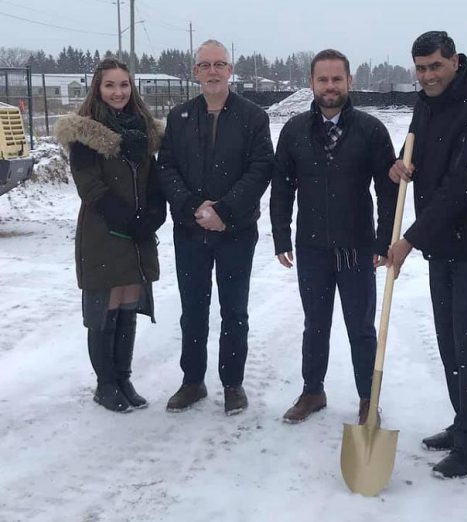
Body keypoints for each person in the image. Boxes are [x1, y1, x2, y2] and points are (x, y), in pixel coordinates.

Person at [387, 31, 467, 478]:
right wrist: (401, 163)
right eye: (420, 68)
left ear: (454, 61)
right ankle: (463, 424)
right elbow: (417, 150)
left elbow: (462, 189)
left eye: (435, 66)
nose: (427, 76)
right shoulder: (427, 102)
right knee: (448, 343)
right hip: (442, 248)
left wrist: (409, 239)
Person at [270, 49, 397, 424]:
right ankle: (313, 391)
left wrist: (383, 239)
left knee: (361, 327)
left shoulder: (370, 131)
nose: (329, 86)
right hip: (312, 248)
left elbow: (387, 189)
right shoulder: (294, 131)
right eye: (322, 79)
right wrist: (281, 237)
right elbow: (281, 189)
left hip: (356, 248)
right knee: (316, 324)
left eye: (336, 79)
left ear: (349, 82)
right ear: (311, 83)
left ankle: (367, 399)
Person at [158, 39, 274, 415]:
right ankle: (192, 381)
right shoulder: (179, 117)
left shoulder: (254, 117)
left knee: (234, 310)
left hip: (236, 231)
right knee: (193, 309)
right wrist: (194, 207)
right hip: (190, 231)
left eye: (219, 64)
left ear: (230, 70)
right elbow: (167, 168)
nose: (212, 71)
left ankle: (232, 383)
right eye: (205, 65)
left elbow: (260, 169)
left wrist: (224, 209)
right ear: (195, 72)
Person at [54, 58, 166, 413]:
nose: (118, 92)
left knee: (128, 307)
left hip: (138, 233)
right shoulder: (85, 133)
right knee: (106, 308)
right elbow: (91, 188)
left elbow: (154, 179)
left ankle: (124, 377)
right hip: (103, 232)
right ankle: (105, 384)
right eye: (110, 86)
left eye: (124, 85)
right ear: (97, 89)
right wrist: (128, 220)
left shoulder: (145, 131)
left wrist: (153, 213)